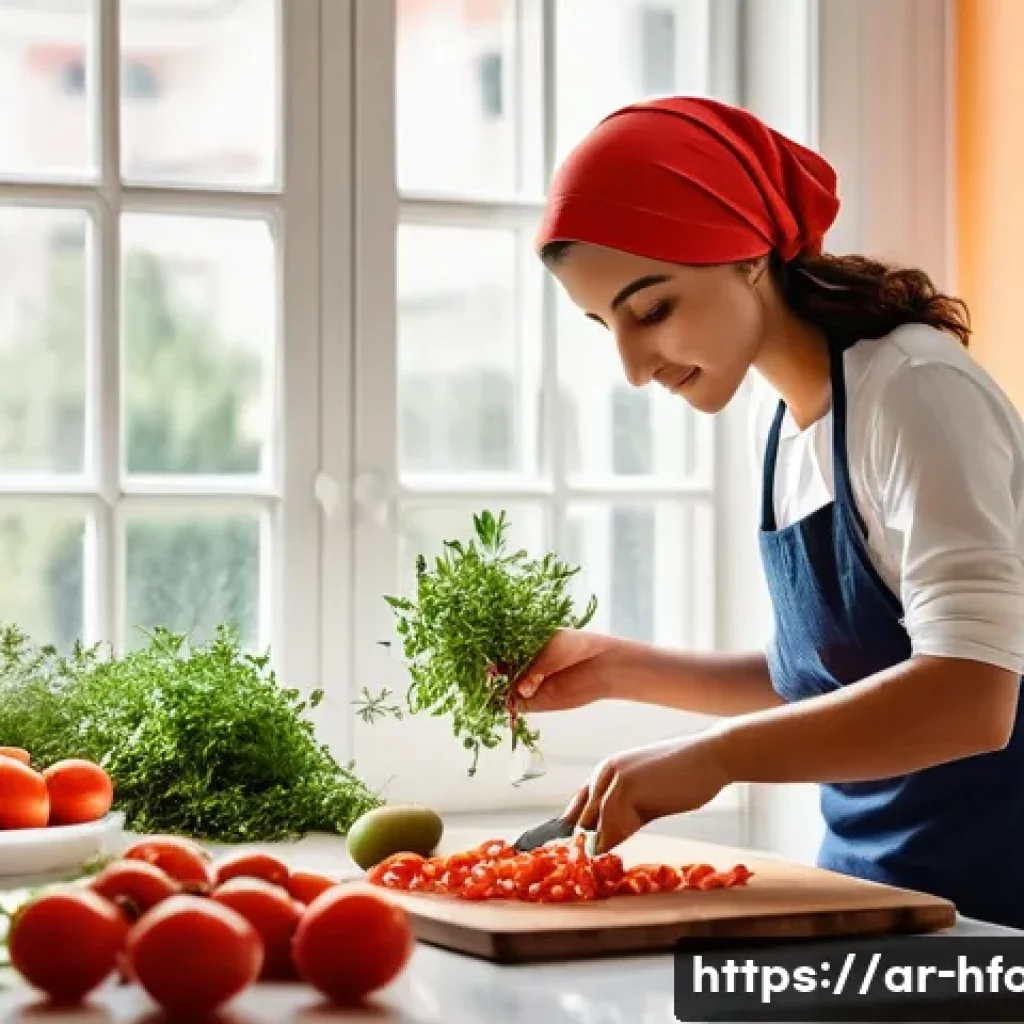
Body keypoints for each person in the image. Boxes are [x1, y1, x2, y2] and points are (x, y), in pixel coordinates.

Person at [518, 95, 1024, 929]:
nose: (634, 366)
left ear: (751, 255)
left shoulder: (916, 391)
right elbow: (832, 677)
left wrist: (714, 760)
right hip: (876, 897)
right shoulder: (785, 424)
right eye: (603, 324)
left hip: (994, 913)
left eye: (652, 310)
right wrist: (616, 667)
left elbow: (971, 694)